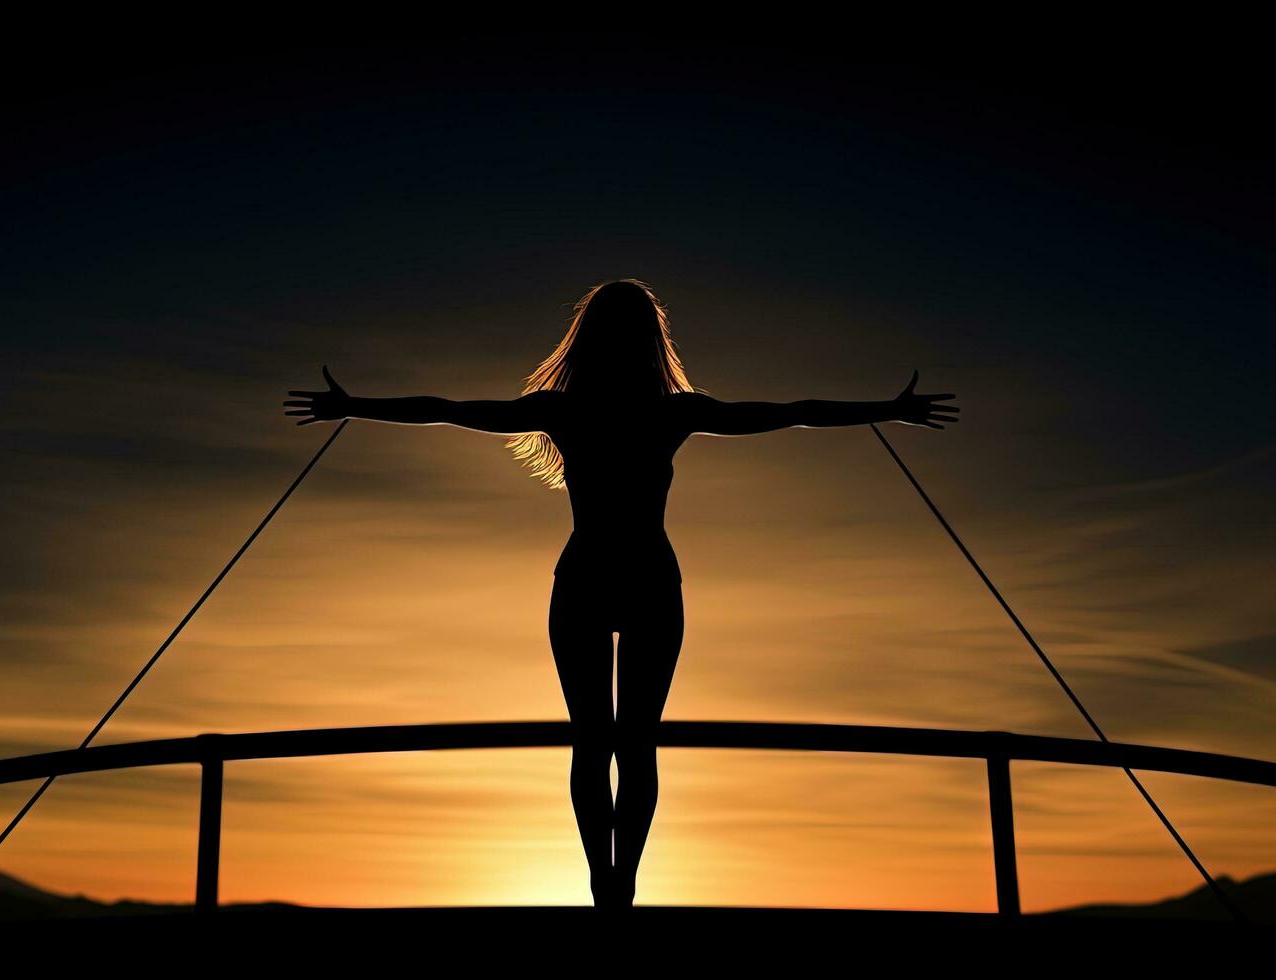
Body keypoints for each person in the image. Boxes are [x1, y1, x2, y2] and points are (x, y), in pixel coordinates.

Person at [283, 279, 958, 908]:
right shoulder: (668, 414)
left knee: (596, 742)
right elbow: (789, 414)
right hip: (645, 579)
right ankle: (620, 887)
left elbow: (449, 412)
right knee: (633, 743)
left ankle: (606, 885)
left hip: (587, 577)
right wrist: (886, 411)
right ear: (651, 340)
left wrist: (353, 406)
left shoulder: (569, 411)